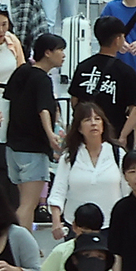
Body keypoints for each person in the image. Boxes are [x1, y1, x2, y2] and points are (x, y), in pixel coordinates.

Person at [4, 30, 65, 229]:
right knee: (28, 205)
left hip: (13, 146)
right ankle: (17, 243)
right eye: (60, 50)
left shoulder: (21, 71)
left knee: (24, 202)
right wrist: (50, 135)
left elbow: (6, 100)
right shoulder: (43, 79)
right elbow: (44, 109)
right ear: (47, 52)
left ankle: (25, 241)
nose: (63, 55)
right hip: (33, 149)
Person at [50, 102, 126, 241]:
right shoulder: (70, 157)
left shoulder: (117, 153)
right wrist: (56, 221)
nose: (93, 123)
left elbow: (127, 192)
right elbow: (58, 191)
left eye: (97, 119)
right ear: (79, 128)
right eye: (87, 120)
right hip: (77, 228)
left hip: (112, 226)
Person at [69, 16, 136, 143]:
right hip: (114, 134)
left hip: (85, 136)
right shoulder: (127, 72)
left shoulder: (83, 66)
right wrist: (124, 136)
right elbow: (134, 109)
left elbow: (74, 100)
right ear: (117, 40)